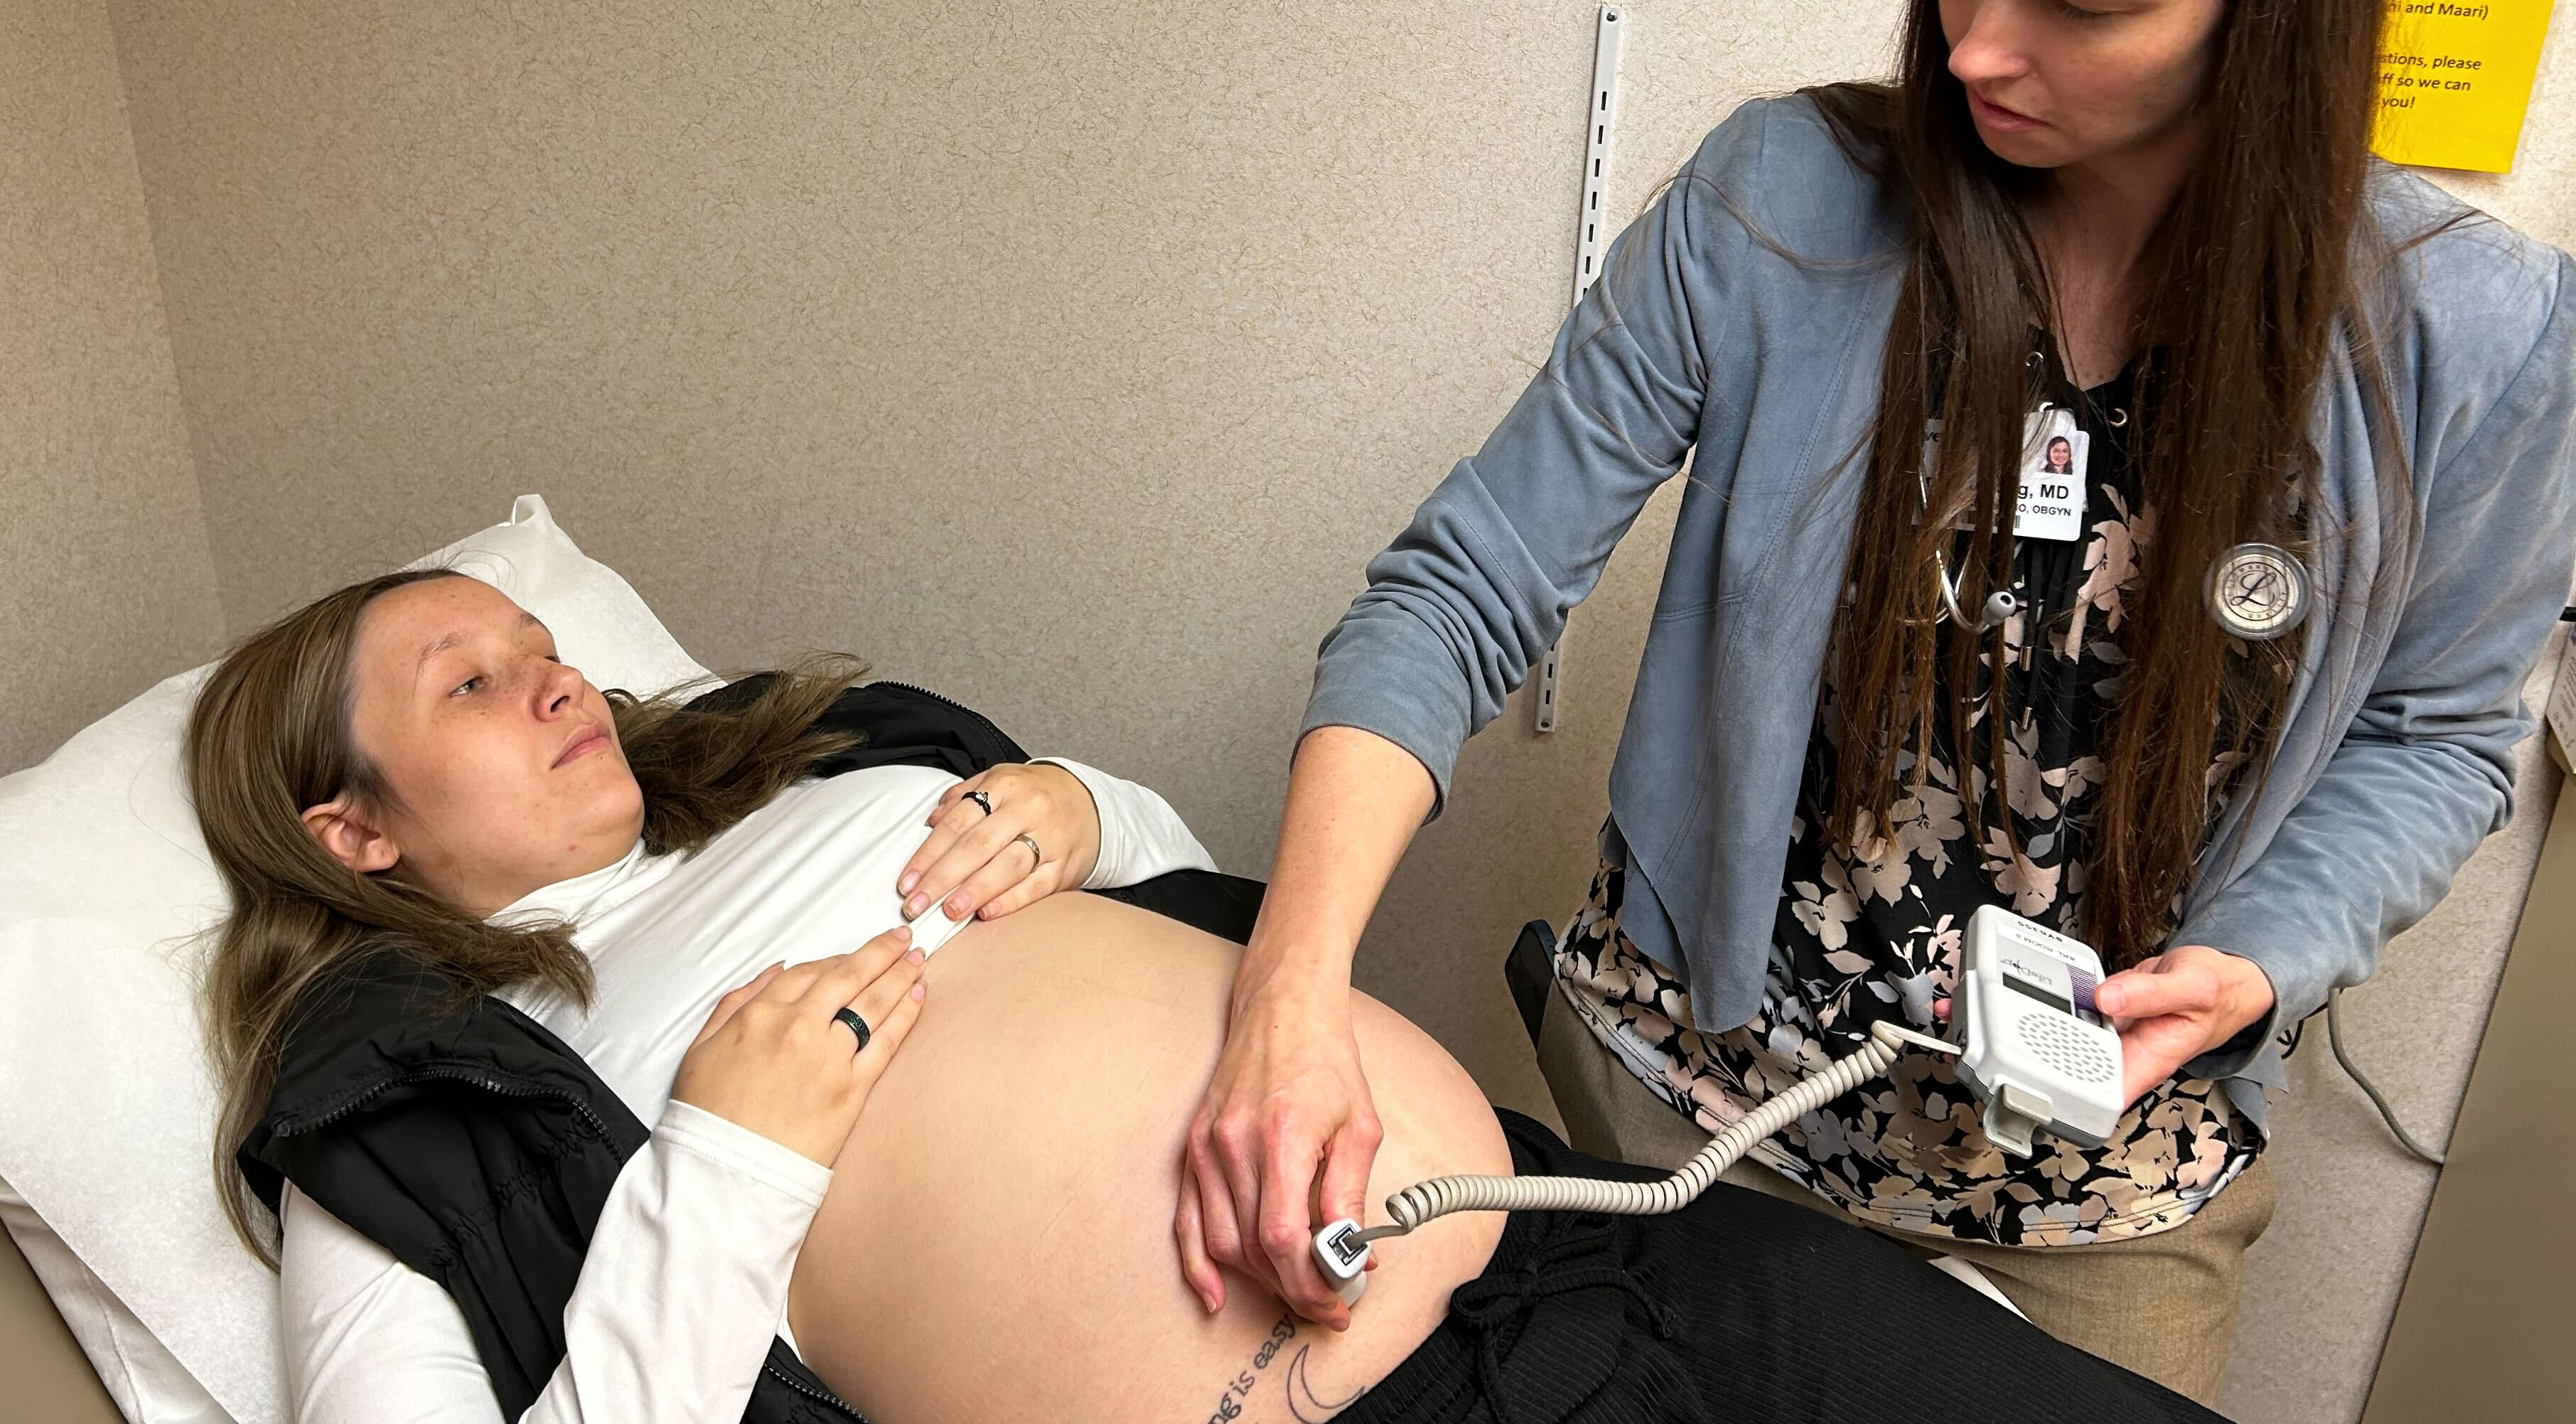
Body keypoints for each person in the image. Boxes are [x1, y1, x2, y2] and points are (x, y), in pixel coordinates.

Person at [1181, 0, 2576, 1405]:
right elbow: (1461, 588)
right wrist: (1289, 989)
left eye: (2077, 0)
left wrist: (2270, 946)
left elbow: (2435, 737)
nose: (1979, 46)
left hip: (2102, 1205)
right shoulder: (1781, 201)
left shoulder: (2477, 347)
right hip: (1688, 1108)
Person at [194, 569, 2226, 1424]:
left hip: (1581, 1259)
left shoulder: (817, 763)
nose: (553, 674)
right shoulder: (425, 1097)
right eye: (467, 683)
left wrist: (1079, 808)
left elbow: (1193, 900)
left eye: (540, 639)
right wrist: (718, 1169)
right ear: (351, 833)